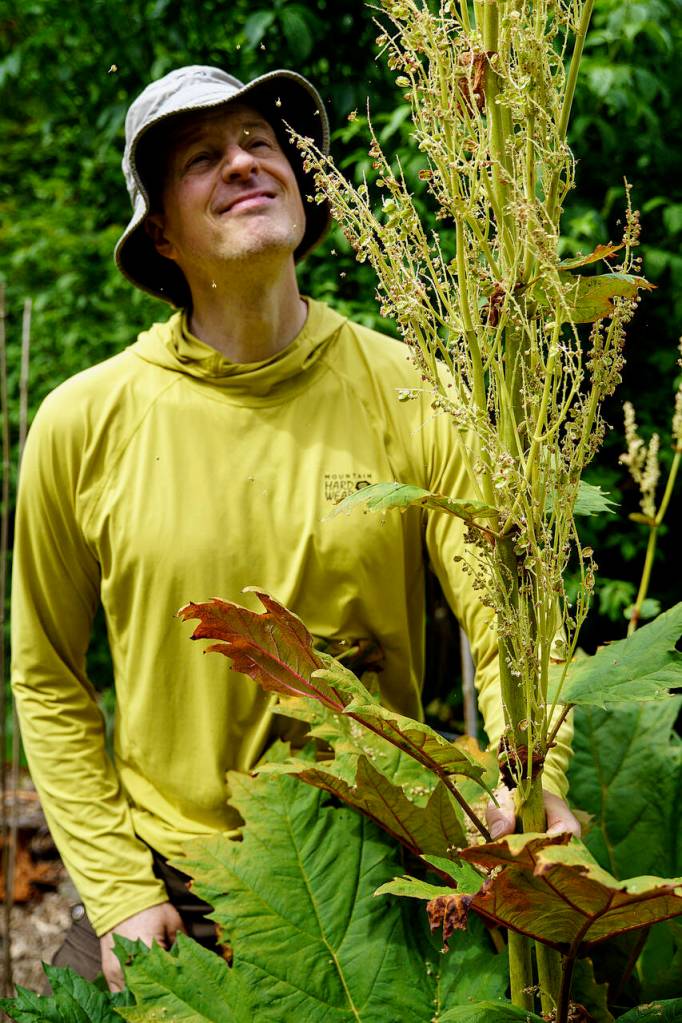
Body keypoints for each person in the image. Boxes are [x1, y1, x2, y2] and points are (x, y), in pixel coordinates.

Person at [11, 65, 579, 993]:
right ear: (159, 229)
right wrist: (117, 890)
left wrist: (532, 767)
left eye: (261, 144)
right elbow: (46, 678)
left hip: (386, 872)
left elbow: (511, 618)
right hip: (182, 886)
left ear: (301, 186)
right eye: (203, 156)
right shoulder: (83, 422)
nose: (242, 161)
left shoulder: (417, 391)